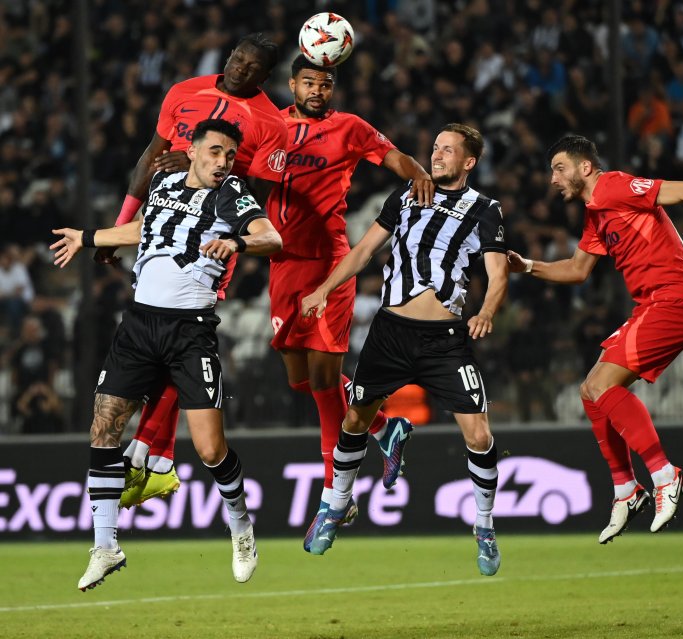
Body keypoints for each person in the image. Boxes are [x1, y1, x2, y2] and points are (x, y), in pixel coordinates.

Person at [50, 119, 282, 591]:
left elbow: (271, 237)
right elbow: (144, 228)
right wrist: (88, 237)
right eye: (215, 152)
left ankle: (240, 527)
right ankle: (105, 545)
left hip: (188, 333)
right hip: (138, 325)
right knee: (104, 428)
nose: (223, 162)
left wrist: (236, 240)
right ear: (192, 150)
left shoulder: (231, 194)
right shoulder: (165, 182)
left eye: (230, 156)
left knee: (210, 449)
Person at [506, 134, 683, 542]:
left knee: (600, 385)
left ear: (584, 167)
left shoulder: (614, 185)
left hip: (675, 300)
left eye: (559, 168)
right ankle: (626, 489)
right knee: (589, 391)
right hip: (653, 305)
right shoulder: (596, 214)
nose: (553, 179)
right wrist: (527, 267)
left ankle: (666, 475)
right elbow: (577, 271)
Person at [299, 123, 508, 576]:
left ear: (469, 162)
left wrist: (487, 310)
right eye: (435, 147)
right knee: (354, 419)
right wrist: (324, 289)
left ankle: (485, 527)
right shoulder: (406, 195)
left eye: (448, 150)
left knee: (479, 435)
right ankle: (335, 508)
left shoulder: (484, 209)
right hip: (391, 332)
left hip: (445, 341)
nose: (437, 155)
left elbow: (498, 273)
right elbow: (363, 252)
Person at [96, 34, 288, 508]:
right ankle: (153, 456)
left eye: (252, 67)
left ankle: (151, 457)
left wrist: (200, 168)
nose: (240, 68)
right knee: (156, 323)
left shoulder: (270, 122)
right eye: (237, 58)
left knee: (182, 323)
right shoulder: (184, 90)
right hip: (159, 221)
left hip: (209, 235)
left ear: (264, 77)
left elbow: (252, 196)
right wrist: (122, 225)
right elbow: (147, 159)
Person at [265, 56, 435, 543]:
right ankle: (385, 428)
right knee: (299, 380)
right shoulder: (271, 124)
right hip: (282, 264)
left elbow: (394, 156)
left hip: (330, 263)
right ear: (293, 84)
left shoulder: (350, 128)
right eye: (309, 82)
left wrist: (417, 171)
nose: (318, 90)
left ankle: (334, 499)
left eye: (326, 83)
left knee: (322, 380)